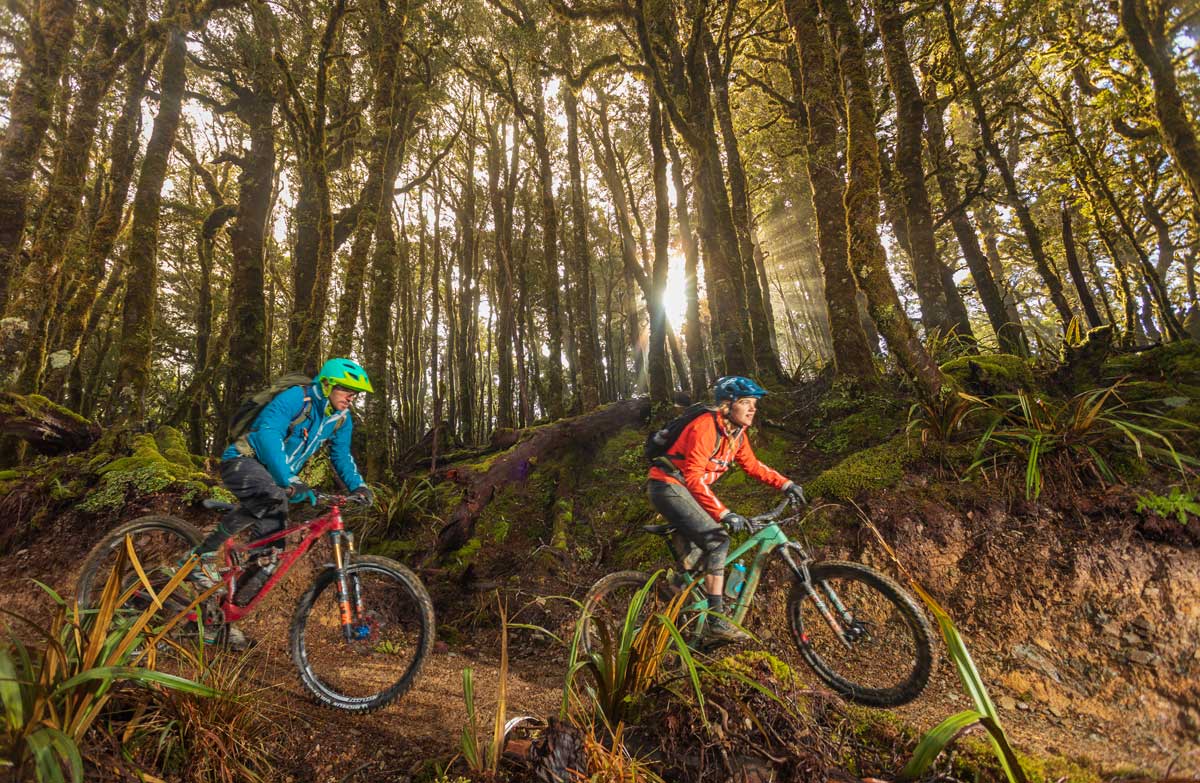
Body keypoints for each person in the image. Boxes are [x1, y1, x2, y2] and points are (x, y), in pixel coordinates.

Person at [184, 358, 375, 644]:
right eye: (347, 389)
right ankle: (201, 557)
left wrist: (358, 487)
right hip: (242, 461)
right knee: (273, 497)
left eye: (355, 393)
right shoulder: (297, 397)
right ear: (327, 384)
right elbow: (268, 434)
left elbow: (341, 457)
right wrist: (290, 480)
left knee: (270, 554)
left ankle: (221, 618)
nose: (352, 397)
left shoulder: (340, 419)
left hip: (275, 481)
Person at [646, 375, 804, 642]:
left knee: (703, 550)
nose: (753, 408)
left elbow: (753, 466)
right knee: (718, 540)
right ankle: (716, 622)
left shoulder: (737, 434)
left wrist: (785, 484)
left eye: (754, 403)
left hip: (685, 489)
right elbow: (694, 477)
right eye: (745, 402)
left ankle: (676, 594)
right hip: (667, 486)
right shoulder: (705, 427)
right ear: (726, 406)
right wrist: (724, 513)